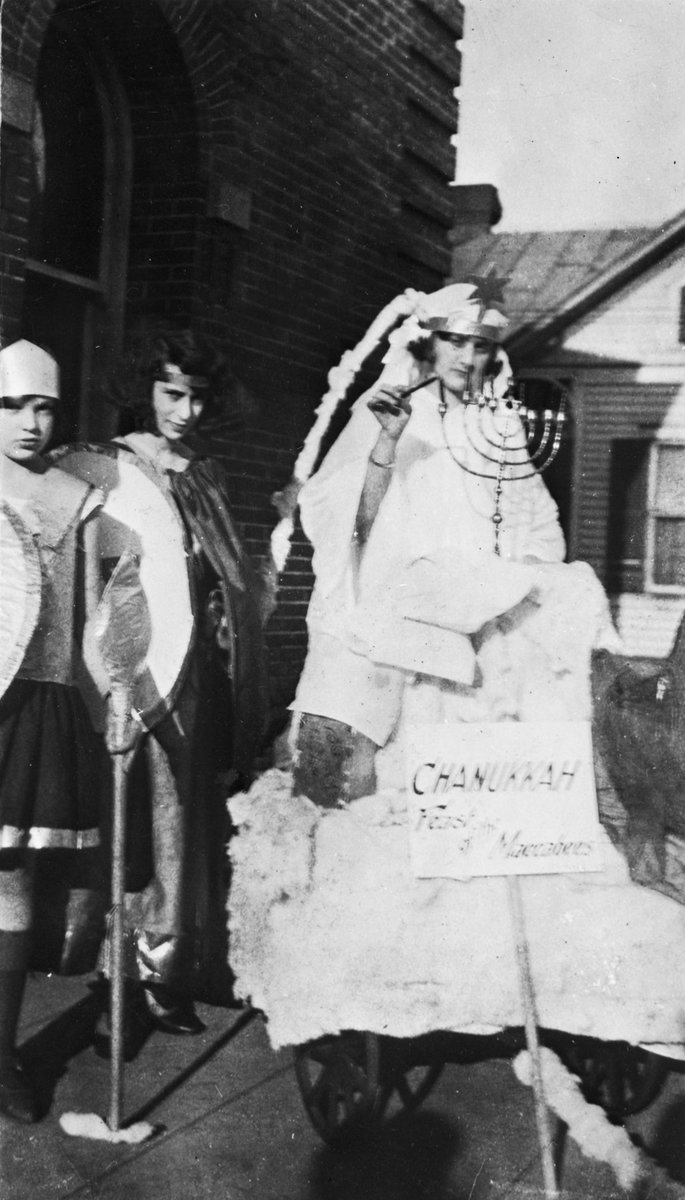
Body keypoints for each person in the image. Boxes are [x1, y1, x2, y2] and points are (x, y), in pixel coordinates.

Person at [290, 283, 616, 805]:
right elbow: (349, 525)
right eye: (454, 340)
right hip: (398, 612)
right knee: (353, 777)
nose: (467, 357)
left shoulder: (501, 425)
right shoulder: (388, 414)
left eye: (481, 345)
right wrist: (387, 444)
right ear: (429, 343)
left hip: (478, 620)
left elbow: (537, 522)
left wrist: (514, 578)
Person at [98, 327, 271, 1043]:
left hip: (197, 673)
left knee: (180, 827)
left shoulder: (205, 474)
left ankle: (162, 975)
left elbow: (229, 582)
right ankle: (114, 984)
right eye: (172, 393)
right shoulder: (113, 469)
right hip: (132, 668)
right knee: (130, 828)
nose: (185, 411)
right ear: (146, 390)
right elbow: (106, 583)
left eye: (197, 397)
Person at [0, 340, 105, 1122]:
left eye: (43, 407)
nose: (31, 424)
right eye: (12, 406)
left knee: (11, 879)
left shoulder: (77, 496)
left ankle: (1, 1056)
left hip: (37, 704)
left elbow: (93, 614)